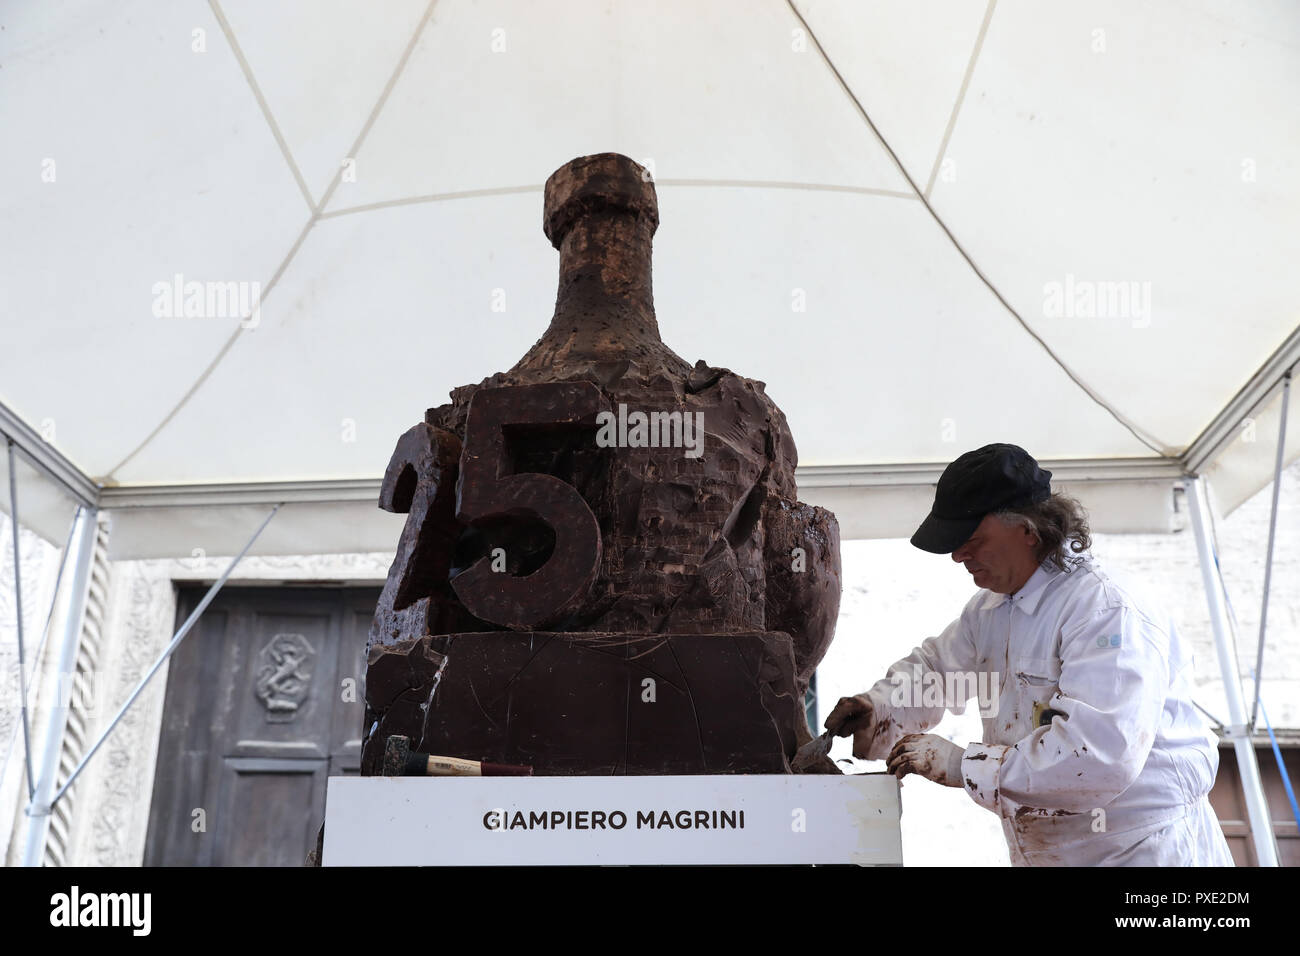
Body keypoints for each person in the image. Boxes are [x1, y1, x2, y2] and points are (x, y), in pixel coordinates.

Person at [825, 443, 1234, 866]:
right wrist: (879, 709)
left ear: (1028, 529)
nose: (958, 555)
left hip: (1138, 851)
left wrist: (964, 764)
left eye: (971, 540)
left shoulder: (1106, 609)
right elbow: (939, 672)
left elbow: (1098, 758)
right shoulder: (991, 611)